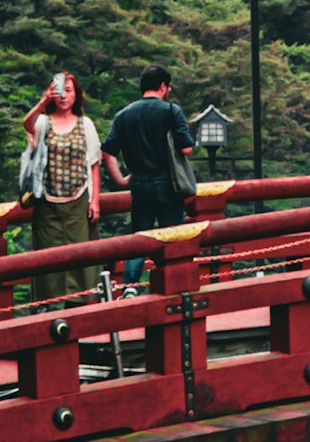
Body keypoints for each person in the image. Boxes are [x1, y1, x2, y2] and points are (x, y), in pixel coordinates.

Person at [106, 64, 197, 290]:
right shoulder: (170, 111)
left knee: (140, 235)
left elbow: (107, 151)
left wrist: (120, 179)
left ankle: (130, 286)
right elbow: (186, 149)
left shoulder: (124, 115)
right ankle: (174, 285)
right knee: (172, 234)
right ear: (163, 86)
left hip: (139, 183)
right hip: (167, 182)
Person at [15, 73, 113, 255]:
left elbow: (93, 164)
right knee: (49, 255)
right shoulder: (43, 123)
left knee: (80, 254)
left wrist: (95, 201)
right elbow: (27, 124)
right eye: (59, 91)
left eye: (68, 91)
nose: (63, 96)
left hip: (79, 199)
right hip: (47, 201)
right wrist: (42, 102)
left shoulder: (86, 124)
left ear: (76, 94)